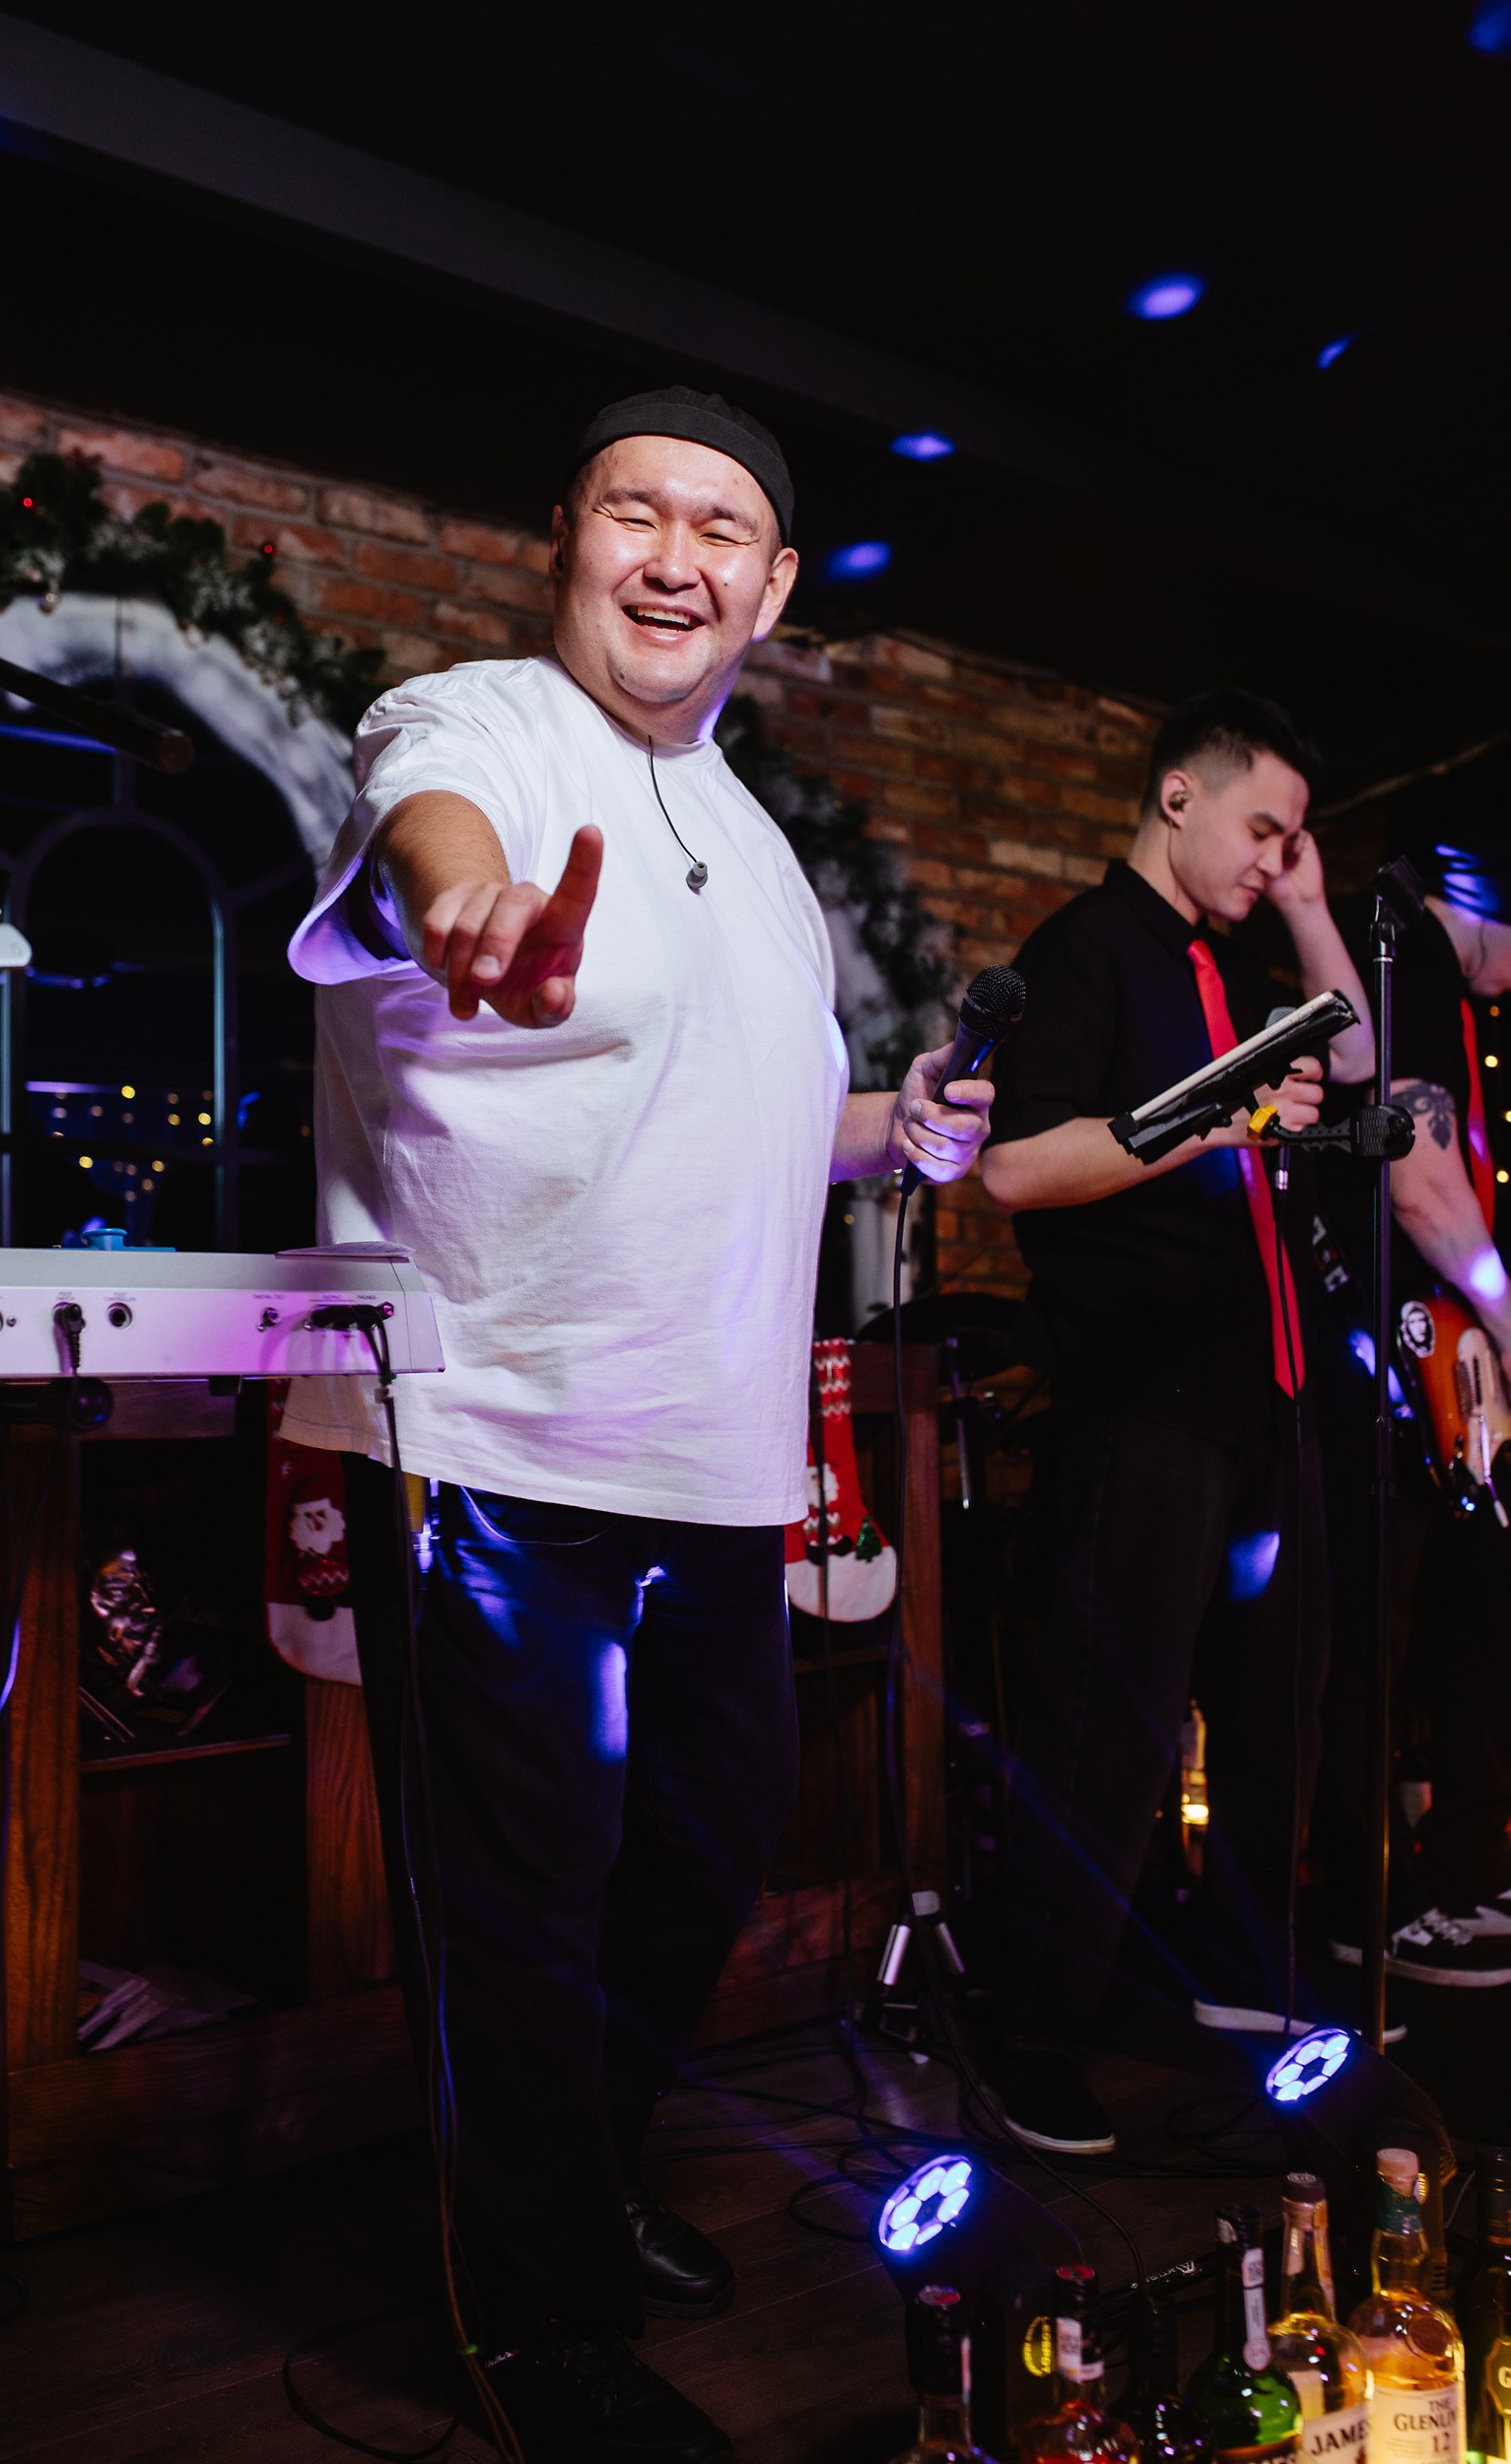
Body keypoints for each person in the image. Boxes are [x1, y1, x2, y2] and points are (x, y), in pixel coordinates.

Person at [285, 385, 993, 2464]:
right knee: (518, 1905)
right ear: (567, 540)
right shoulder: (474, 724)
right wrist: (463, 915)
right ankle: (533, 2327)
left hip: (711, 1463)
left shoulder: (755, 850)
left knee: (692, 1856)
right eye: (632, 512)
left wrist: (893, 1127)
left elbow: (740, 1113)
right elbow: (427, 862)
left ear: (774, 589)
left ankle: (573, 2187)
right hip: (490, 1432)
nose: (672, 557)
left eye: (718, 529)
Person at [979, 689, 1374, 2157]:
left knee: (1276, 1710)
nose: (1273, 860)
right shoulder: (1083, 952)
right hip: (1140, 1402)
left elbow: (1357, 1065)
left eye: (1290, 841)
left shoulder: (1240, 969)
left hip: (1263, 1398)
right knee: (1110, 1731)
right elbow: (1013, 1166)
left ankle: (1243, 1982)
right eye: (1261, 829)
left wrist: (1308, 910)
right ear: (1175, 796)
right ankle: (1028, 2038)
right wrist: (1215, 1119)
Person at [1310, 760, 1511, 1990]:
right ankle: (1364, 1902)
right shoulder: (1402, 961)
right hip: (1378, 1357)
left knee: (1463, 1609)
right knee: (1367, 1639)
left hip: (1436, 1362)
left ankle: (1455, 1869)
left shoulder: (1446, 984)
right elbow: (1419, 1182)